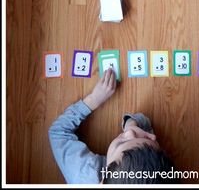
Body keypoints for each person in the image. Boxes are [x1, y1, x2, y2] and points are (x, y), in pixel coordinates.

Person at [48, 68, 179, 184]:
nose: (129, 134)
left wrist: (94, 99)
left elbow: (58, 132)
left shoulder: (85, 175)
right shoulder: (156, 169)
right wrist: (131, 124)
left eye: (120, 143)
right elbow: (144, 122)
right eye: (150, 139)